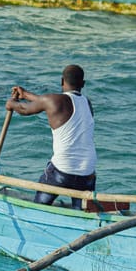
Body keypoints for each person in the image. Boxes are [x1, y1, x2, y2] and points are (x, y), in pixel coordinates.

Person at [6, 64, 96, 208]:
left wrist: (11, 103)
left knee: (39, 206)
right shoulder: (88, 103)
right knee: (82, 212)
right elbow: (47, 102)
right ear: (83, 84)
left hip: (62, 171)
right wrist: (26, 94)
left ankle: (38, 212)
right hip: (88, 174)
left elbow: (24, 109)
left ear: (62, 81)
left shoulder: (54, 101)